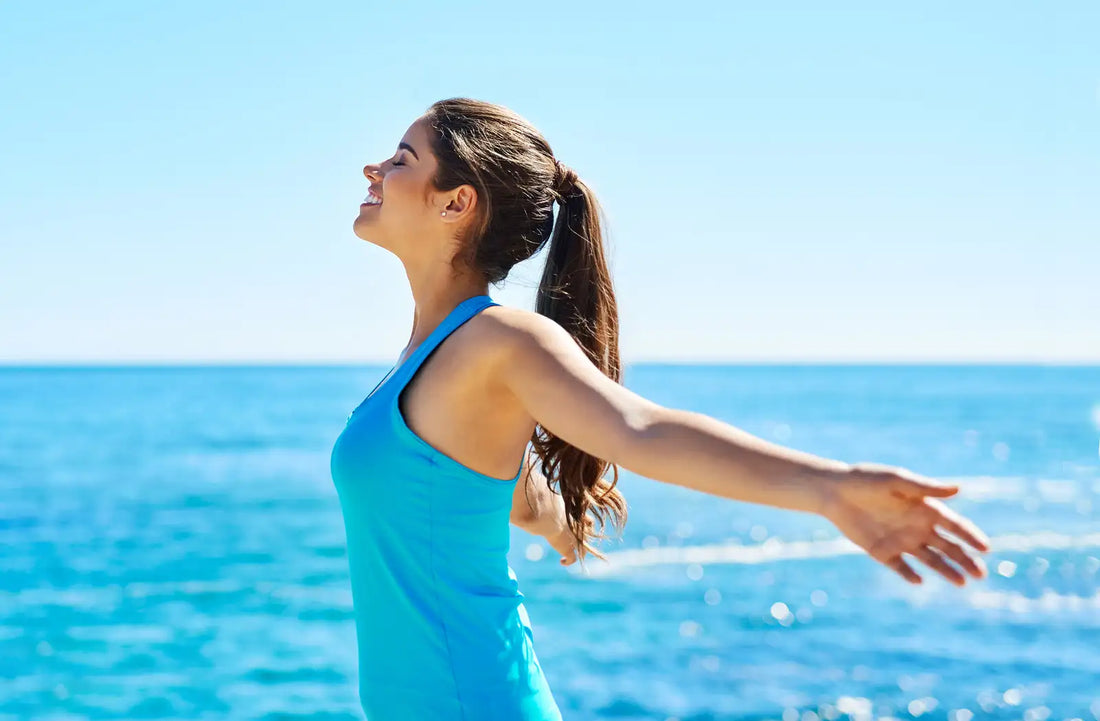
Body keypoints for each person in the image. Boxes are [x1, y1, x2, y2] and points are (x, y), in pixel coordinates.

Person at [329, 97, 992, 720]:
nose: (375, 168)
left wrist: (831, 488)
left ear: (458, 203)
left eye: (402, 159)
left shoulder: (499, 340)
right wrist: (559, 523)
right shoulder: (430, 355)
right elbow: (495, 487)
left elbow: (637, 428)